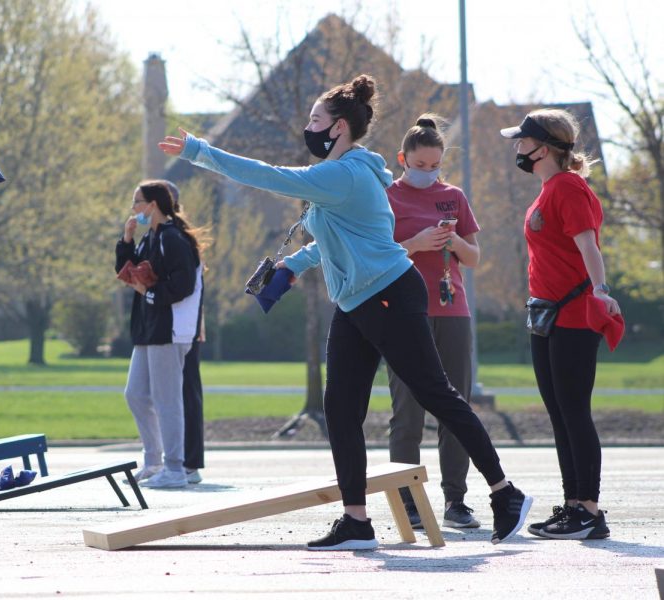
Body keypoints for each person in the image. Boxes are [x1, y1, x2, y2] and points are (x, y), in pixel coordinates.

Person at [160, 73, 531, 550]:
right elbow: (335, 239)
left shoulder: (346, 173)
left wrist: (200, 151)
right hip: (357, 301)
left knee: (436, 394)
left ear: (338, 128)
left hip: (391, 294)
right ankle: (356, 520)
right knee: (340, 409)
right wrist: (293, 266)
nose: (308, 127)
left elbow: (269, 176)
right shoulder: (344, 178)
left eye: (316, 119)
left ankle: (506, 494)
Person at [500, 109, 620, 539]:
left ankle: (588, 509)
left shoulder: (568, 187)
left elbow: (588, 245)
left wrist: (601, 290)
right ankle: (573, 505)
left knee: (573, 411)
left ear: (543, 148)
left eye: (522, 141)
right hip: (545, 313)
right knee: (559, 413)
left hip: (571, 314)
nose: (517, 147)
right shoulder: (549, 188)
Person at [386, 114, 482, 530]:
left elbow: (475, 258)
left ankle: (456, 501)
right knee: (407, 411)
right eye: (420, 165)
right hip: (405, 314)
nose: (427, 173)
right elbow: (377, 257)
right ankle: (408, 501)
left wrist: (455, 240)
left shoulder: (454, 196)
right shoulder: (386, 197)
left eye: (434, 165)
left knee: (455, 407)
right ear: (403, 158)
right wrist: (414, 244)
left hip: (452, 309)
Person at [115, 180, 205, 489]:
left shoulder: (172, 238)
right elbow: (127, 270)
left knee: (167, 400)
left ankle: (175, 469)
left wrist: (149, 294)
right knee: (136, 394)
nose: (134, 209)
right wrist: (126, 239)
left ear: (153, 205)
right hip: (149, 328)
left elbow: (184, 286)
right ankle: (153, 461)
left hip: (170, 329)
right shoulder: (149, 237)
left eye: (137, 202)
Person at [163, 180, 206, 484]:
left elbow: (193, 287)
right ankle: (173, 458)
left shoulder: (180, 239)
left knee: (185, 393)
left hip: (182, 328)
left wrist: (197, 324)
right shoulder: (166, 237)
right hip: (173, 326)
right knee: (169, 393)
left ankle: (188, 462)